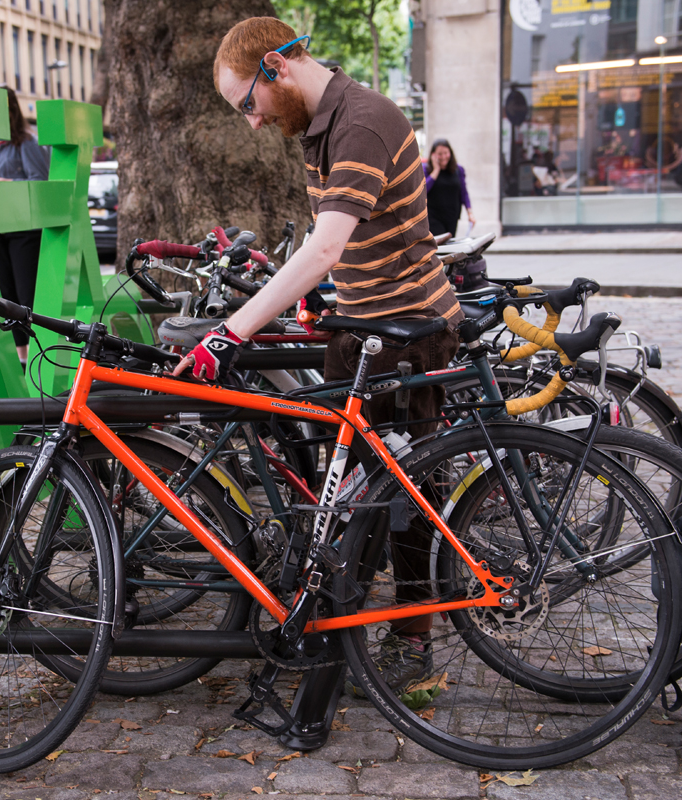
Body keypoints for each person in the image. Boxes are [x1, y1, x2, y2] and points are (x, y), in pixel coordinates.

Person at [174, 16, 463, 693]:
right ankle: (345, 630)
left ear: (277, 66)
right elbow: (342, 243)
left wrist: (232, 331)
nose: (249, 122)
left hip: (406, 333)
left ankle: (415, 642)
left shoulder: (361, 121)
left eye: (248, 101)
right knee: (362, 495)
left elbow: (326, 246)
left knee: (405, 493)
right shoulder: (318, 128)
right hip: (364, 330)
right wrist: (323, 302)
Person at [0, 87, 52, 370]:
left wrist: (6, 185)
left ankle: (38, 354)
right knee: (3, 294)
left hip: (24, 228)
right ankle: (20, 358)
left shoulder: (26, 143)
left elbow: (40, 183)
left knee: (26, 295)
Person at [423, 139, 475, 236]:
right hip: (433, 217)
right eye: (440, 154)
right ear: (433, 155)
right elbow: (422, 190)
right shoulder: (426, 170)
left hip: (452, 216)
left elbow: (463, 193)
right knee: (439, 245)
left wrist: (470, 213)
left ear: (450, 153)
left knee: (449, 246)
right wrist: (436, 170)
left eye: (446, 153)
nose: (443, 157)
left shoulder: (458, 170)